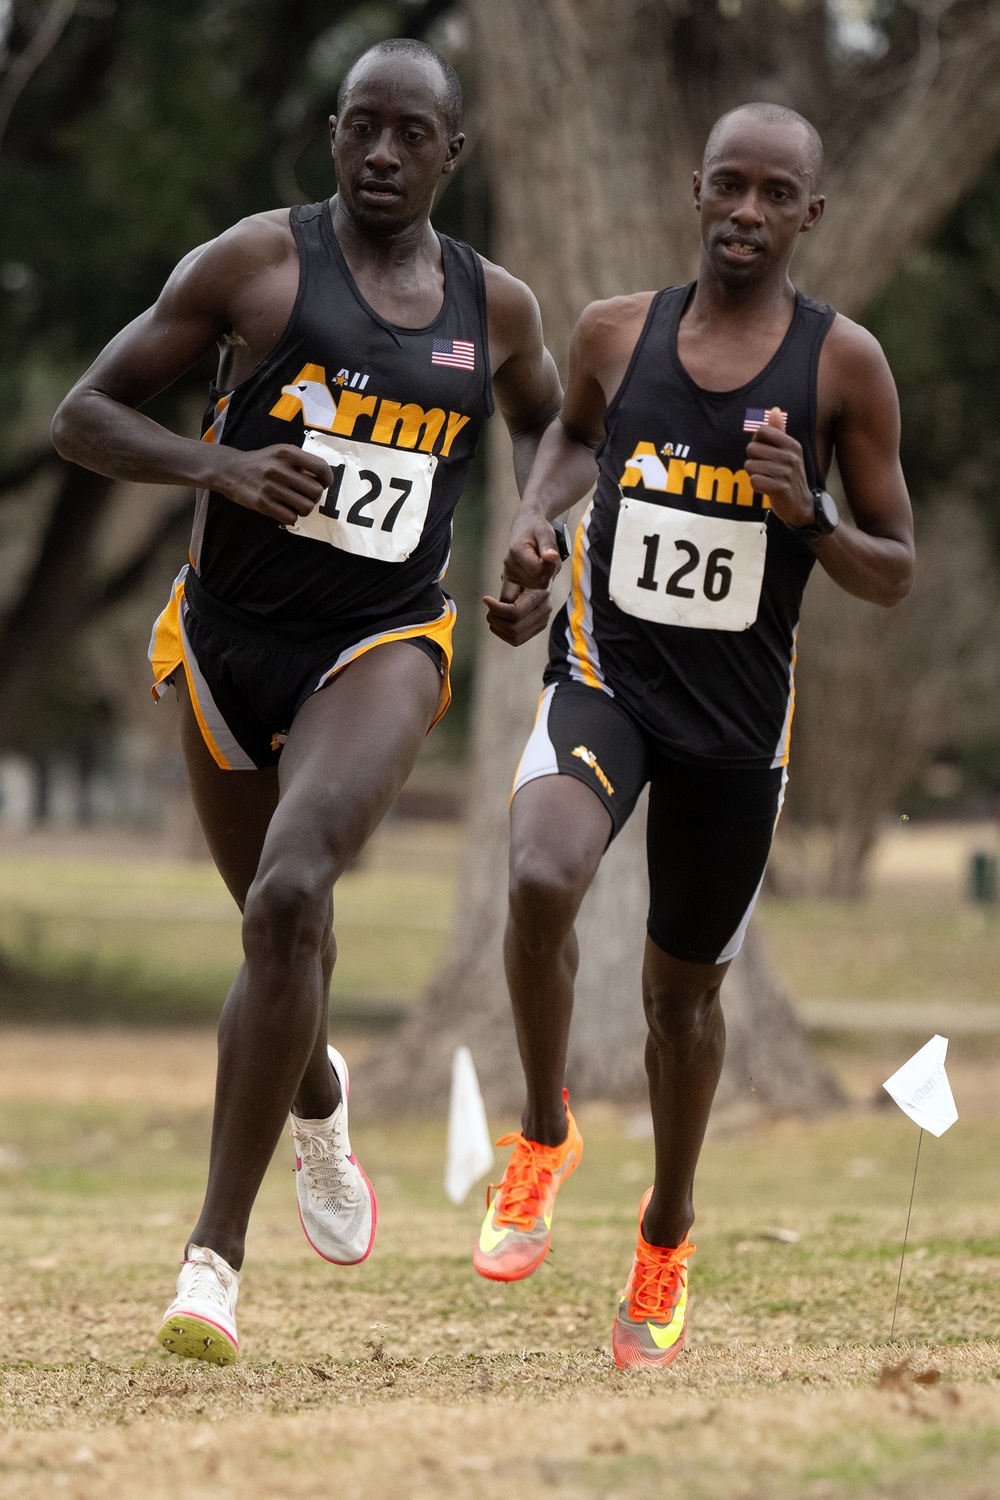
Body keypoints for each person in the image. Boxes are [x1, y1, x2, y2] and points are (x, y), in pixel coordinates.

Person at [52, 38, 560, 1364]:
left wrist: (537, 539)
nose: (384, 156)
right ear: (334, 132)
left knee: (291, 897)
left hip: (381, 642)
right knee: (273, 934)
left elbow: (554, 423)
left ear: (458, 153)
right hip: (226, 646)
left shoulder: (495, 307)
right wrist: (217, 467)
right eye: (363, 129)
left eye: (413, 136)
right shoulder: (258, 266)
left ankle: (210, 1262)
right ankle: (318, 1096)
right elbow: (85, 415)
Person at [473, 103, 914, 1370]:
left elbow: (895, 569)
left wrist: (812, 519)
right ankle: (543, 1133)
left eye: (777, 195)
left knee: (680, 1005)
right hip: (608, 676)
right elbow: (567, 434)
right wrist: (535, 527)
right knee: (540, 873)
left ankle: (665, 1228)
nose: (746, 213)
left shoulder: (844, 369)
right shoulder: (619, 331)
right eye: (729, 187)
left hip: (736, 729)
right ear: (696, 190)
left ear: (808, 216)